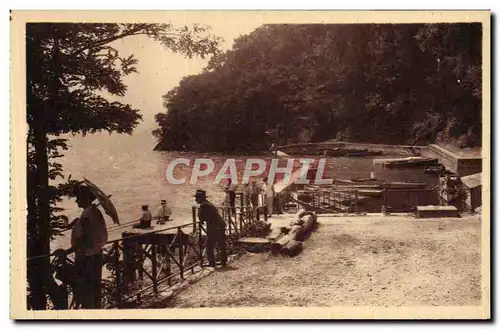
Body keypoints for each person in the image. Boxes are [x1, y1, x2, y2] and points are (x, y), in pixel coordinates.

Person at [55, 184, 108, 309]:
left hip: (87, 258)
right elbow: (90, 230)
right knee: (92, 291)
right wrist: (77, 222)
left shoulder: (88, 214)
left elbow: (83, 239)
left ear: (85, 198)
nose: (76, 200)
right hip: (94, 255)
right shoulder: (92, 211)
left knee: (86, 290)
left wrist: (67, 252)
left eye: (78, 198)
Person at [194, 189, 227, 268]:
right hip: (219, 225)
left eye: (197, 198)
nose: (196, 199)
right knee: (221, 243)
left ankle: (212, 263)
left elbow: (201, 216)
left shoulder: (204, 205)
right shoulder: (208, 204)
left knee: (209, 245)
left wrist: (201, 219)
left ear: (201, 198)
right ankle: (223, 261)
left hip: (214, 226)